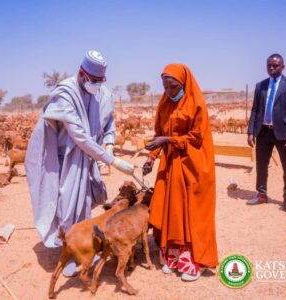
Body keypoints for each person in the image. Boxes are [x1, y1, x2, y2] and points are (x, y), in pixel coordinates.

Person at [25, 50, 135, 276]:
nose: (96, 84)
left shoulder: (102, 93)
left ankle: (85, 247)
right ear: (81, 73)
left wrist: (110, 143)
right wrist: (111, 160)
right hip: (68, 159)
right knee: (67, 204)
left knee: (84, 204)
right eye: (93, 80)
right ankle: (70, 252)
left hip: (90, 156)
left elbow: (109, 121)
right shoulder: (65, 93)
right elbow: (79, 136)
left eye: (100, 81)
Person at [143, 64, 218, 282]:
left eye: (173, 87)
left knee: (192, 212)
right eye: (165, 87)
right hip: (171, 164)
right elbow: (159, 132)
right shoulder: (165, 104)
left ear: (184, 83)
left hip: (193, 164)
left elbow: (196, 137)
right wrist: (151, 157)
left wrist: (168, 140)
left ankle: (195, 262)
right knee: (172, 210)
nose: (169, 92)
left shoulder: (196, 105)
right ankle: (173, 258)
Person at [246, 53, 286, 212]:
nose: (271, 68)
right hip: (262, 132)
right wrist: (250, 131)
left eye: (275, 65)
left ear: (283, 66)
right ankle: (262, 194)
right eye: (269, 65)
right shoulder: (260, 86)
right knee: (261, 165)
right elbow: (255, 110)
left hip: (283, 133)